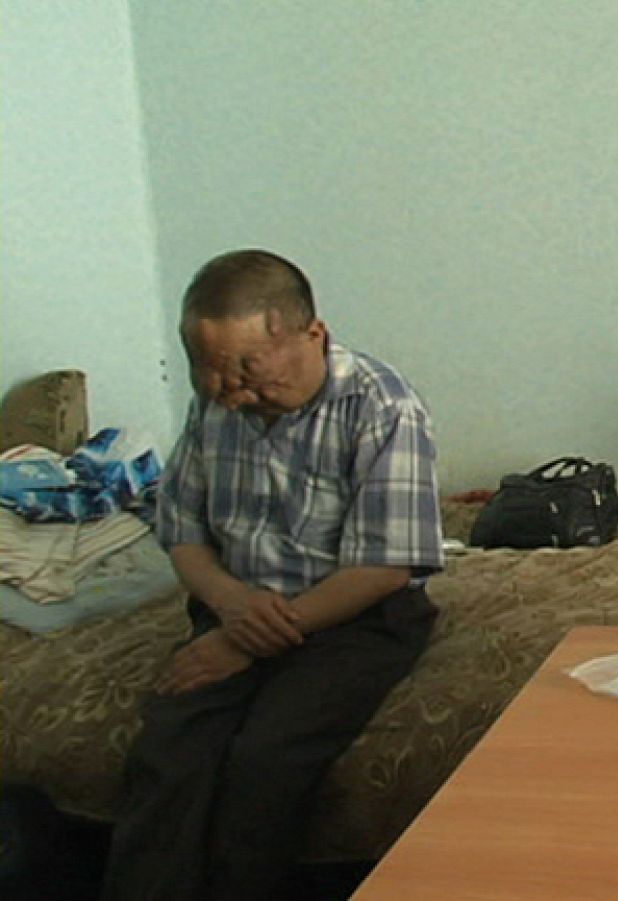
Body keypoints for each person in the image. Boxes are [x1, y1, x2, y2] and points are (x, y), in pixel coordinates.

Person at [103, 250, 444, 901]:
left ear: (312, 334)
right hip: (236, 603)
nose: (229, 389)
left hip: (355, 617)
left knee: (267, 758)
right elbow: (182, 531)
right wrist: (229, 605)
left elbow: (385, 565)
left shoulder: (382, 405)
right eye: (208, 371)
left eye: (246, 368)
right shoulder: (217, 404)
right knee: (170, 747)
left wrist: (240, 641)